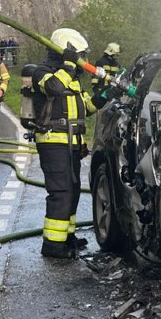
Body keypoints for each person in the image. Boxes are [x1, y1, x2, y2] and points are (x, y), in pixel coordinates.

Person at [30, 28, 96, 258]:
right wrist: (68, 66)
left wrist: (105, 95)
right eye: (79, 56)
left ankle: (67, 237)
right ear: (65, 53)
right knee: (61, 192)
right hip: (53, 141)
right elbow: (53, 88)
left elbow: (86, 108)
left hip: (72, 143)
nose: (82, 62)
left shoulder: (73, 80)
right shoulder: (43, 73)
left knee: (73, 190)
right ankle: (52, 246)